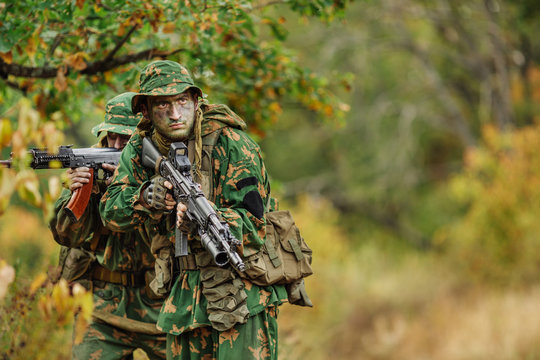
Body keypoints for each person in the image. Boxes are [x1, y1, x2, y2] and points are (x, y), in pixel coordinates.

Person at [99, 60, 289, 360]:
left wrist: (203, 215)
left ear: (196, 101)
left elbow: (254, 225)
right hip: (184, 295)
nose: (175, 114)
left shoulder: (233, 144)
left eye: (182, 102)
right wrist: (149, 196)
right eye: (163, 105)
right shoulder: (140, 147)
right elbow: (110, 210)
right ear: (146, 110)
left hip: (242, 291)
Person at [49, 92, 167, 360]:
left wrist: (131, 189)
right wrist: (77, 192)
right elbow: (65, 235)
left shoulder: (163, 172)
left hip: (160, 305)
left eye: (125, 139)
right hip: (101, 307)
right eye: (110, 136)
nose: (115, 145)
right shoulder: (91, 166)